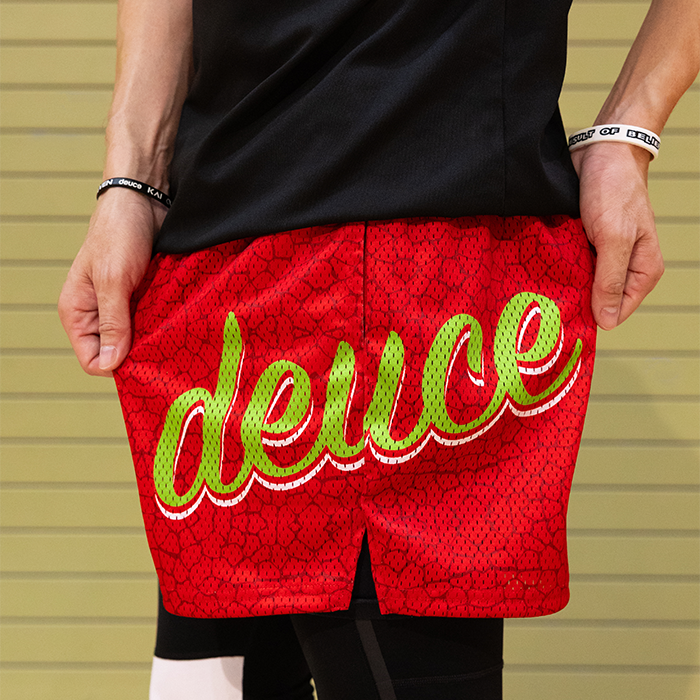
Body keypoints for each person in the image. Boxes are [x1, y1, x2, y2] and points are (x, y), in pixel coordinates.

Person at [58, 0, 700, 698]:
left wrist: (630, 129)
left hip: (431, 270)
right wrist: (131, 181)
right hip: (222, 260)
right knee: (206, 684)